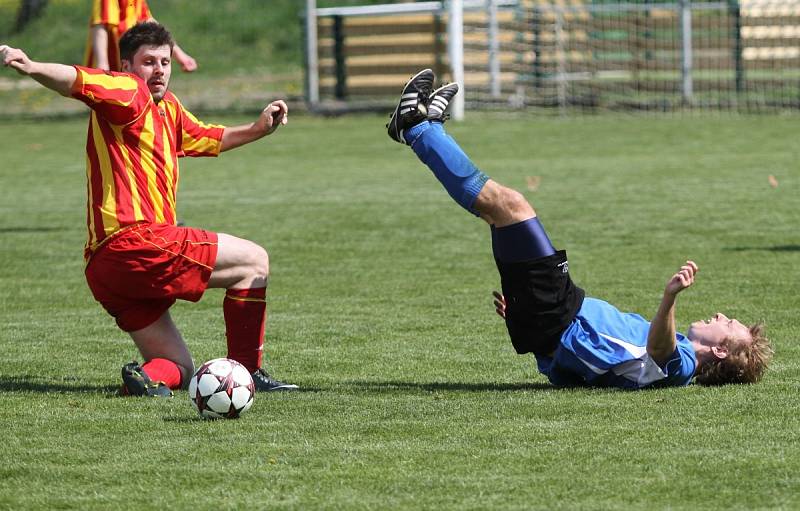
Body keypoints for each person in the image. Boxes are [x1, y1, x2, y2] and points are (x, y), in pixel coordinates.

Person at [386, 69, 773, 389]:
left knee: (510, 207)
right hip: (554, 318)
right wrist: (527, 315)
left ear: (721, 350)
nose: (721, 315)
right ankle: (429, 129)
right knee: (502, 211)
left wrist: (670, 297)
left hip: (560, 315)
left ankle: (417, 127)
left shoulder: (682, 365)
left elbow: (659, 351)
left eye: (728, 324)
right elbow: (578, 372)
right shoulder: (668, 356)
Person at [1, 22, 296, 396]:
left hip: (105, 268)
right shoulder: (129, 92)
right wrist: (31, 66)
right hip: (135, 241)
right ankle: (249, 373)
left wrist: (257, 129)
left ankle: (144, 379)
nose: (159, 70)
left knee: (179, 367)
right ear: (128, 67)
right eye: (148, 62)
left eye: (165, 61)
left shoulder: (168, 109)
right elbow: (78, 80)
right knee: (254, 262)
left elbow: (207, 137)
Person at [84, 0, 196, 73]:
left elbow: (149, 22)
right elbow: (100, 25)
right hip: (113, 59)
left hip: (131, 57)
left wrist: (180, 54)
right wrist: (102, 64)